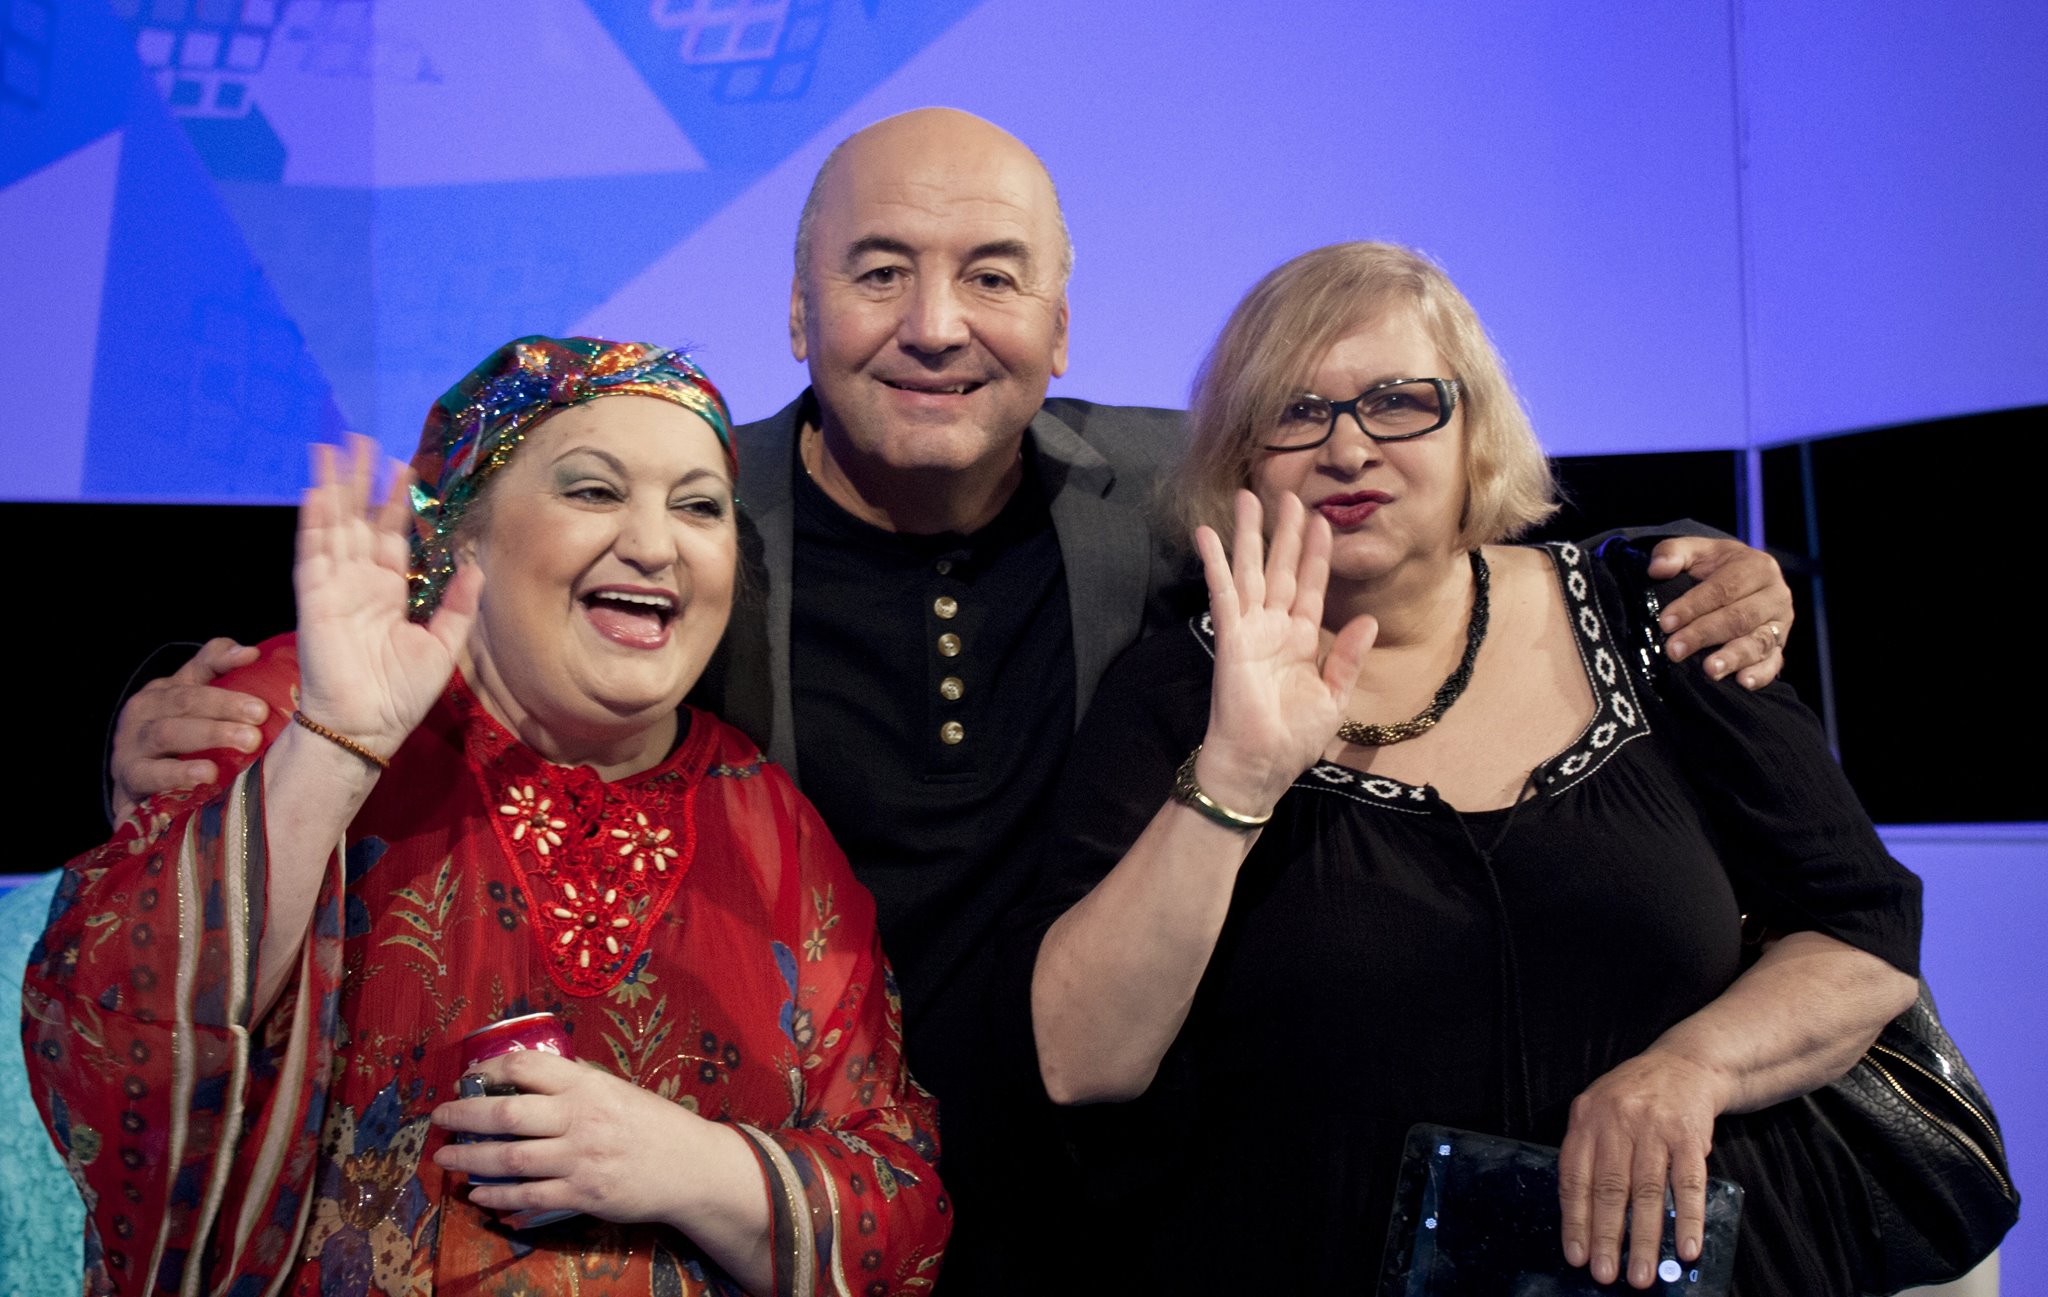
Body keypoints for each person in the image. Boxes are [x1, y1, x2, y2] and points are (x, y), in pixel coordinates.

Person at [101, 111, 1800, 1288]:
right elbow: (422, 636)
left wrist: (1670, 567)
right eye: (877, 271)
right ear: (794, 311)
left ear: (1060, 322)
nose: (936, 324)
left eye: (992, 274)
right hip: (772, 1215)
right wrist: (190, 723)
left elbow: (1423, 517)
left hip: (1125, 1213)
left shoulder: (1182, 494)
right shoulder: (677, 512)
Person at [1024, 243, 1923, 1294]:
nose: (1347, 447)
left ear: (1473, 429)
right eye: (1294, 411)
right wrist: (1236, 776)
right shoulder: (1173, 692)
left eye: (1397, 401)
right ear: (1240, 460)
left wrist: (1693, 1067)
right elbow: (1082, 1060)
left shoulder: (1657, 616)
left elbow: (1862, 932)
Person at [25, 337, 948, 1296]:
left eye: (699, 506)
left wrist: (687, 1164)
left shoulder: (772, 824)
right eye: (594, 490)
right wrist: (334, 748)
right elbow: (106, 1049)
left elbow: (901, 1209)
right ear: (465, 537)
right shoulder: (294, 710)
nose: (655, 542)